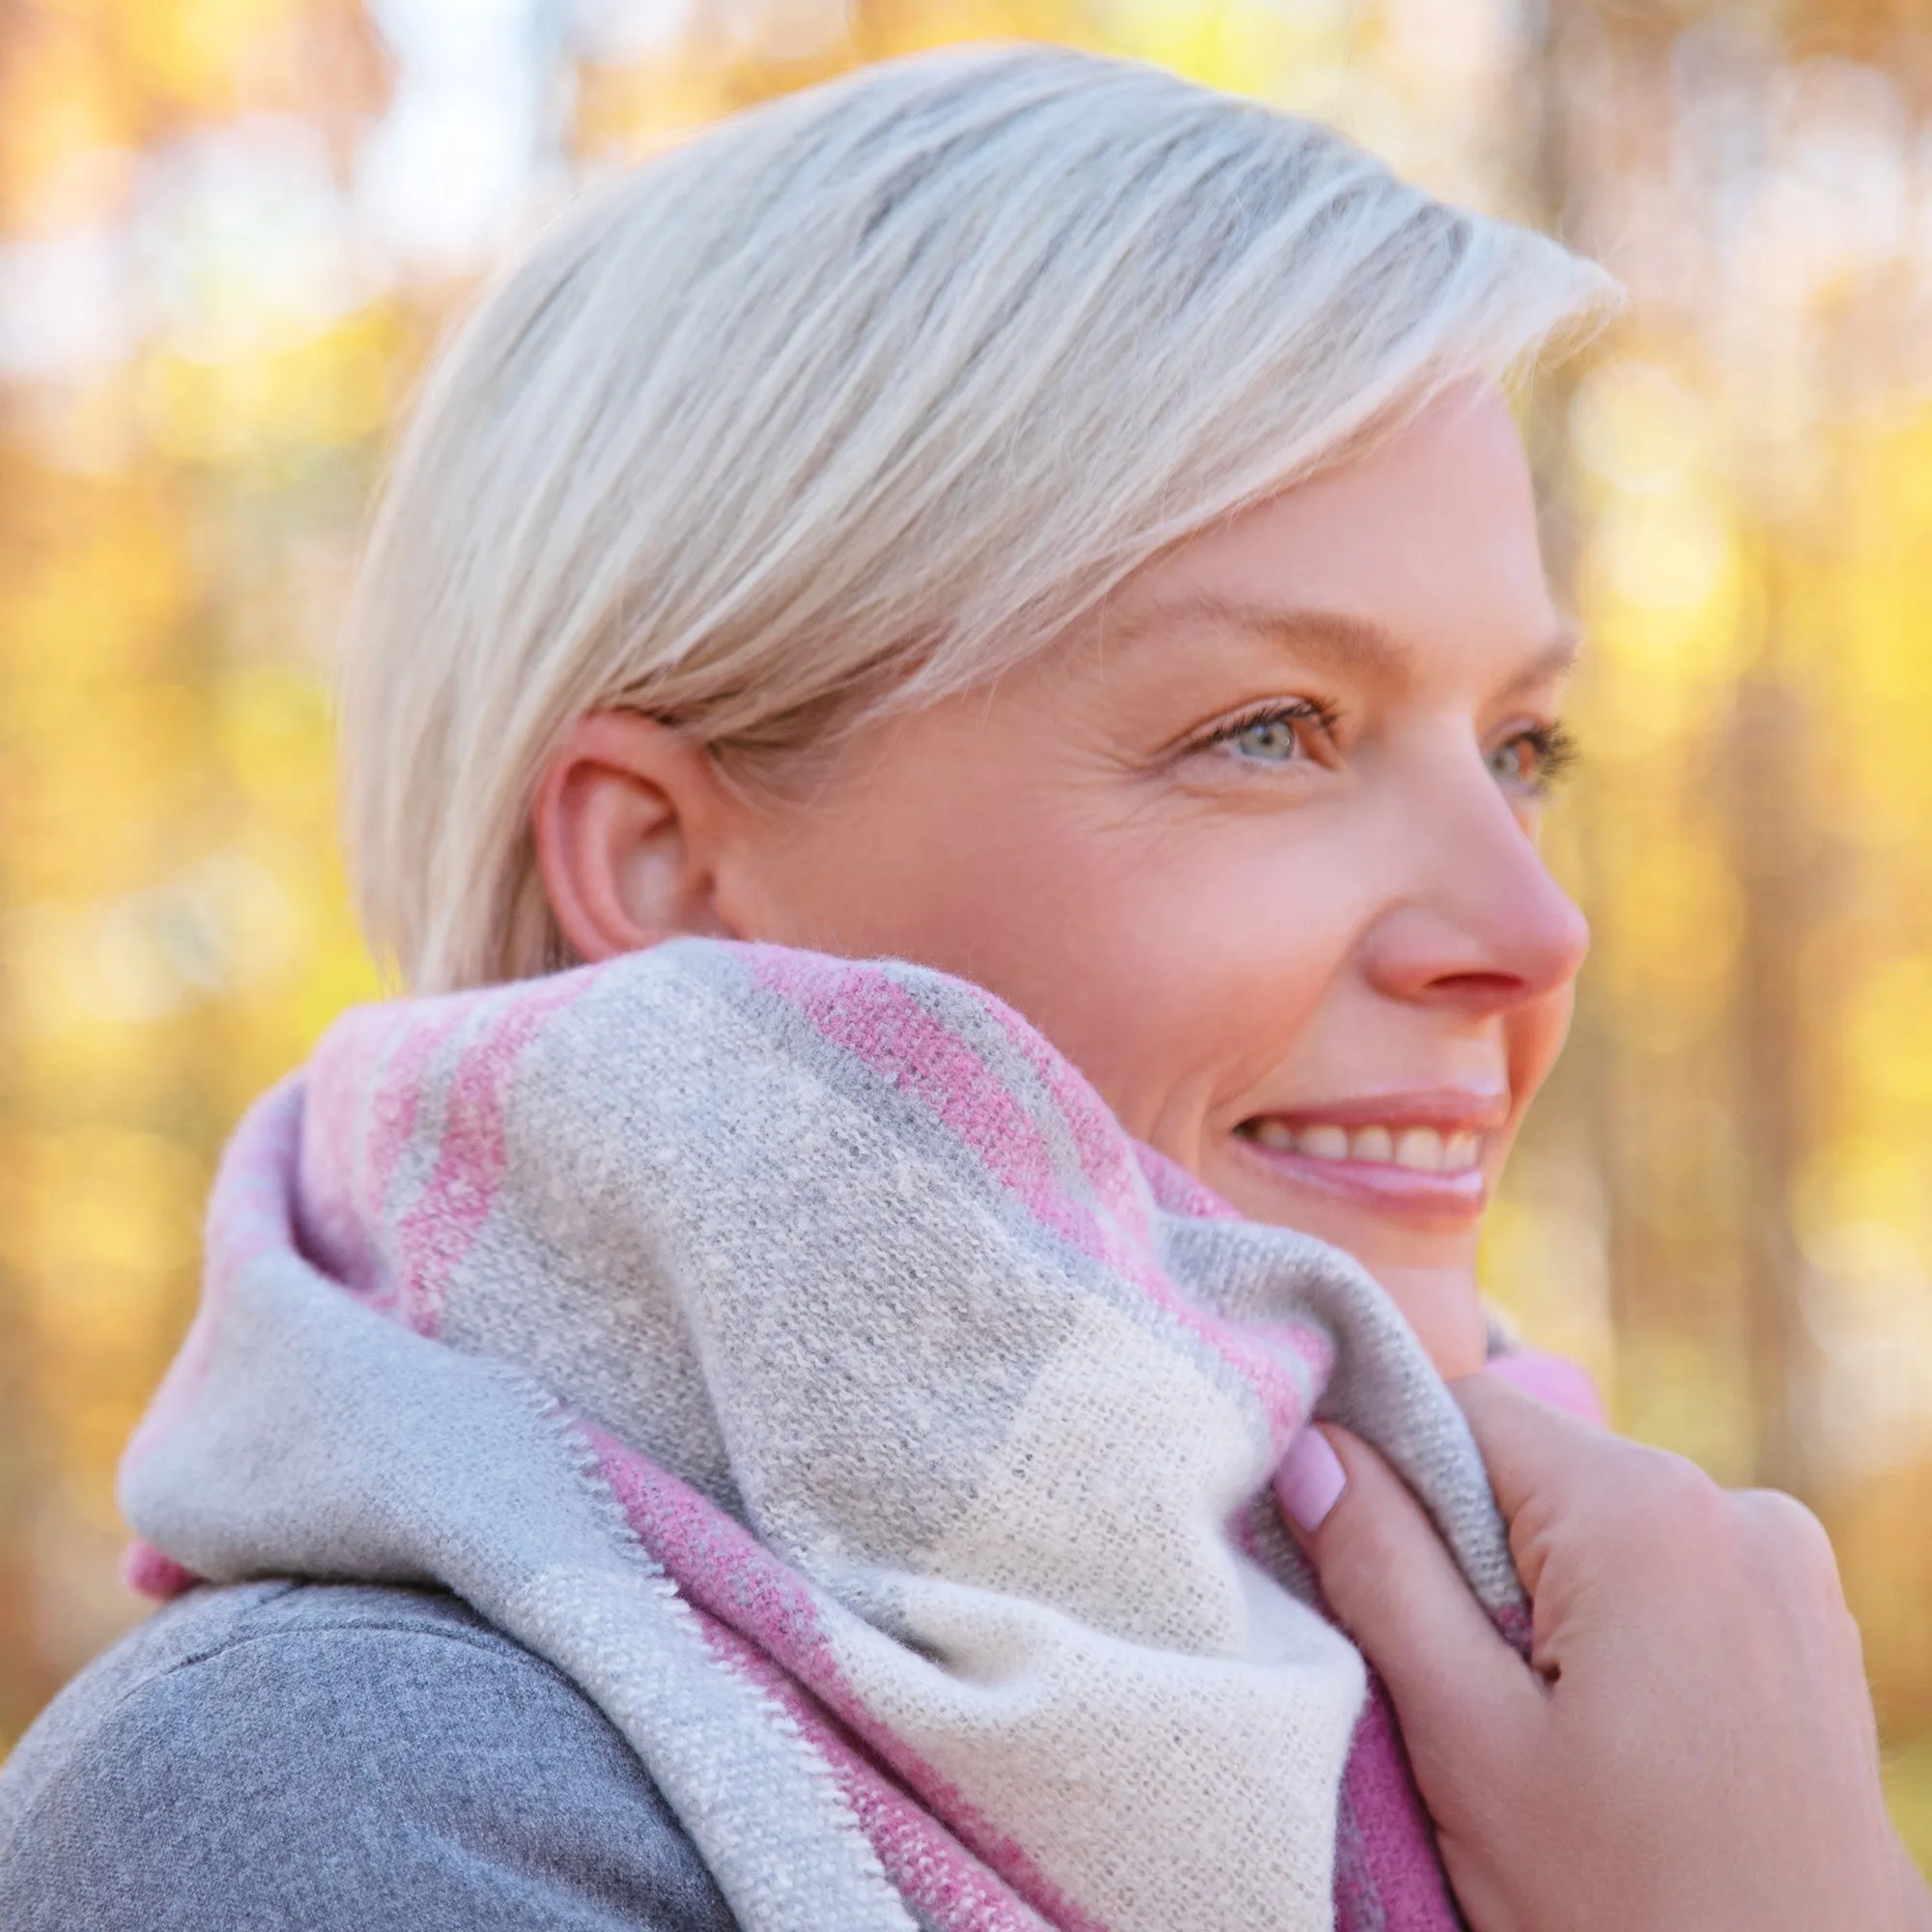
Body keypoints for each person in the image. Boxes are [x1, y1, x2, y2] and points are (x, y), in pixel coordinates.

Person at [0, 43, 1921, 1932]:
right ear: (665, 872)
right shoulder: (320, 1805)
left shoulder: (1595, 1715)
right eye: (1270, 729)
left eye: (1518, 746)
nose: (1530, 926)